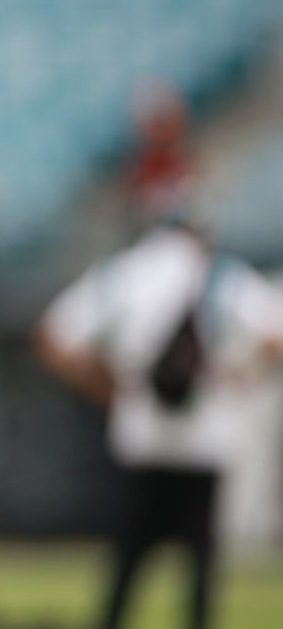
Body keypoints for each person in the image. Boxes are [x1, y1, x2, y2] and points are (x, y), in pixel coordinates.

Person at [35, 210, 283, 629]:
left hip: (141, 438)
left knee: (127, 561)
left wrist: (106, 387)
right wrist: (241, 377)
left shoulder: (124, 273)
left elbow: (53, 335)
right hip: (205, 439)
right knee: (201, 566)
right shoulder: (224, 275)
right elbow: (275, 337)